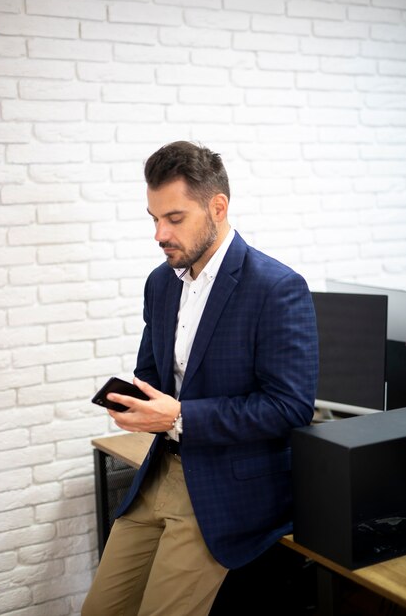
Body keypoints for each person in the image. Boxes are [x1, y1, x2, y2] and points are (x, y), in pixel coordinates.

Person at [81, 141, 319, 616]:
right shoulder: (160, 282)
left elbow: (290, 406)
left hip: (225, 490)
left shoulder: (276, 288)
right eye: (153, 218)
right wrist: (139, 404)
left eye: (173, 218)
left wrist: (183, 416)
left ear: (217, 207)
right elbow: (151, 372)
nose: (158, 234)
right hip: (157, 474)